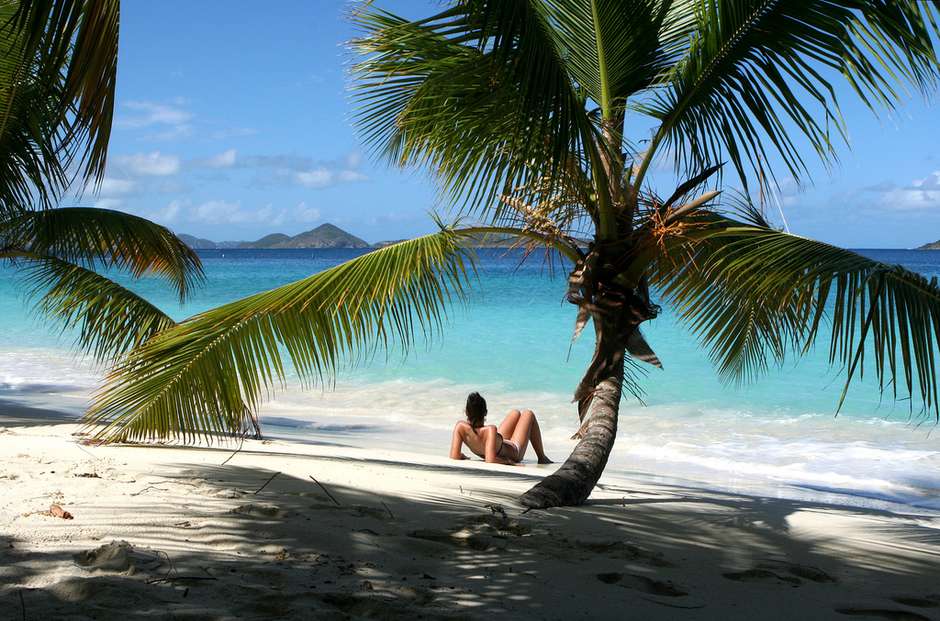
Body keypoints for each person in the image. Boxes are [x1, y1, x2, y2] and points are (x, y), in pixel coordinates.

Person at [449, 392, 552, 465]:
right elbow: (490, 459)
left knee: (515, 413)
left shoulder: (460, 427)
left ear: (466, 412)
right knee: (528, 414)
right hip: (514, 452)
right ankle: (542, 457)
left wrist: (462, 455)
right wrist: (508, 461)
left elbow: (454, 455)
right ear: (485, 413)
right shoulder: (490, 430)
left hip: (500, 444)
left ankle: (542, 457)